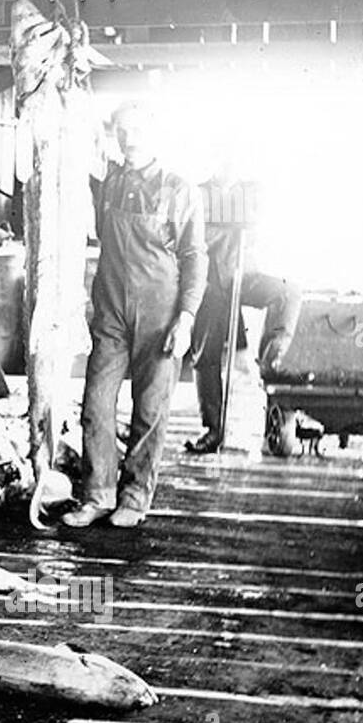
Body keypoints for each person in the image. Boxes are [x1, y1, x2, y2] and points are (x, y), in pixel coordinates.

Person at [63, 101, 207, 528]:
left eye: (138, 130)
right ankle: (97, 494)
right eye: (122, 130)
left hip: (160, 314)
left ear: (155, 133)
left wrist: (187, 316)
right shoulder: (108, 182)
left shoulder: (179, 189)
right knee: (96, 405)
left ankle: (135, 496)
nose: (129, 137)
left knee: (149, 409)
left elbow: (196, 257)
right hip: (110, 311)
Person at [186, 162, 302, 453]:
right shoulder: (197, 193)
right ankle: (213, 430)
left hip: (244, 276)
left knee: (288, 292)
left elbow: (259, 224)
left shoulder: (251, 190)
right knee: (206, 356)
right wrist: (230, 223)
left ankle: (273, 359)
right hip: (210, 282)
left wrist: (242, 221)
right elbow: (195, 235)